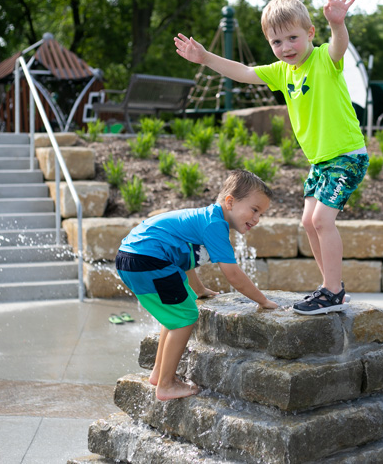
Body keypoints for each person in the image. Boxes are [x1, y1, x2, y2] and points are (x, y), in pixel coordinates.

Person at [174, 0, 368, 316]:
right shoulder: (282, 72)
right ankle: (331, 285)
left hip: (346, 155)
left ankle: (332, 291)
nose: (285, 47)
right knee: (309, 222)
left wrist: (338, 22)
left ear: (310, 33)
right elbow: (244, 72)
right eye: (276, 42)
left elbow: (340, 45)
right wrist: (205, 57)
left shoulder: (324, 58)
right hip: (320, 161)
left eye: (292, 38)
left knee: (322, 220)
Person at [115, 170, 279, 401]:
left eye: (261, 213)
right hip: (148, 259)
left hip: (134, 256)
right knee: (186, 317)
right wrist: (263, 301)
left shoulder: (205, 219)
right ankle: (166, 385)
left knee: (174, 315)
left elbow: (184, 261)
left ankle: (159, 374)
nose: (257, 219)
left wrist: (200, 290)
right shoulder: (215, 224)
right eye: (254, 210)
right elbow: (232, 274)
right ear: (230, 202)